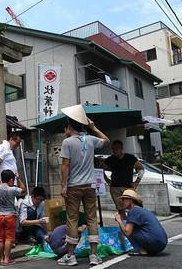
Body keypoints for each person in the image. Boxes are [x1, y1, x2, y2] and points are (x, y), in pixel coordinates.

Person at [58, 104, 109, 266]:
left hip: (73, 186)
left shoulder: (67, 142)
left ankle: (70, 256)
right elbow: (106, 140)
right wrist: (93, 127)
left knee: (72, 219)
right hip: (90, 186)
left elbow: (65, 165)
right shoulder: (91, 139)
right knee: (92, 218)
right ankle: (94, 255)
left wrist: (64, 185)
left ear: (68, 127)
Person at [0, 170, 26, 266]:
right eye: (13, 180)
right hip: (10, 216)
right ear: (10, 180)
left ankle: (1, 258)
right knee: (9, 238)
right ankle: (7, 259)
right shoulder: (12, 189)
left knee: (0, 238)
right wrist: (18, 177)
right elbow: (23, 190)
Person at [115, 189, 167, 256]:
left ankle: (141, 250)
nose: (122, 202)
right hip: (162, 243)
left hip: (154, 243)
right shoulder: (142, 210)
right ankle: (144, 249)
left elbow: (127, 232)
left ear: (130, 200)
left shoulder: (133, 211)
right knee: (129, 225)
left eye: (124, 199)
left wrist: (119, 220)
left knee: (125, 225)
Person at [103, 140, 144, 218]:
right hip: (115, 187)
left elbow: (141, 168)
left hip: (128, 186)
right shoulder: (110, 159)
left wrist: (137, 181)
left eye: (117, 148)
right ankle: (125, 227)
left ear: (121, 148)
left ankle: (133, 226)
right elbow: (101, 169)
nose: (115, 150)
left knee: (133, 208)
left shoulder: (130, 157)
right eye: (113, 149)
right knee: (120, 209)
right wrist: (107, 180)